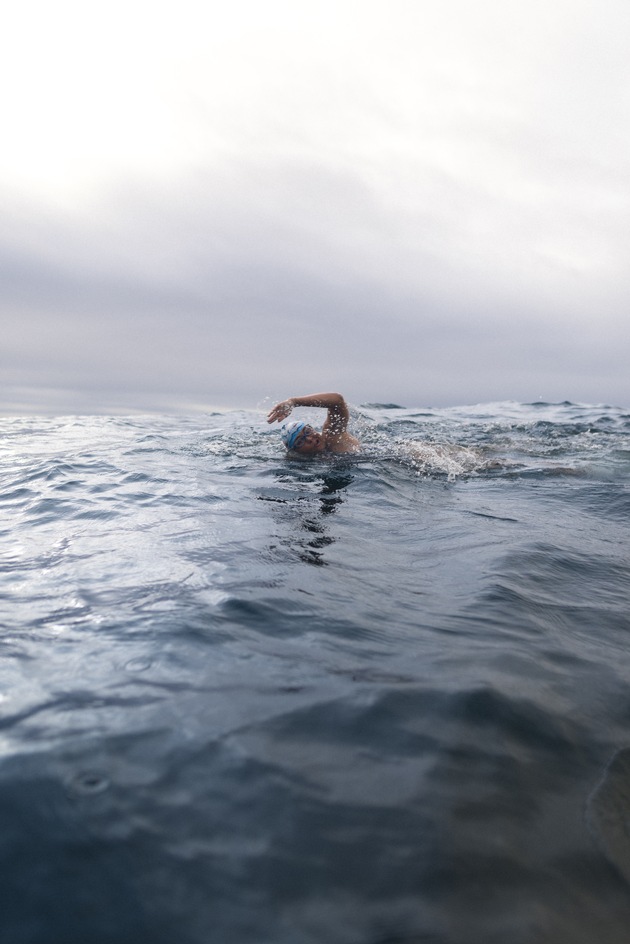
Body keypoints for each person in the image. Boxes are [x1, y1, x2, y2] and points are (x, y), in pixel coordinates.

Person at [267, 392, 360, 456]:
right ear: (296, 451)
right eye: (300, 442)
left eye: (307, 431)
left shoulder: (332, 437)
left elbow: (337, 401)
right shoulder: (298, 460)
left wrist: (294, 402)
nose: (309, 439)